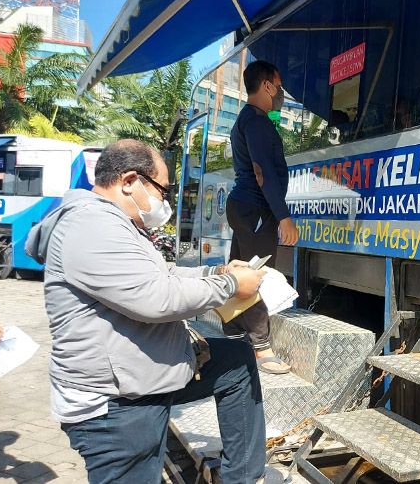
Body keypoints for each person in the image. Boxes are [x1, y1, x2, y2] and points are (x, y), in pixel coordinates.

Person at [25, 140, 268, 484]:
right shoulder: (91, 225)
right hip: (115, 407)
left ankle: (242, 477)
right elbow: (155, 298)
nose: (164, 201)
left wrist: (217, 272)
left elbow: (160, 274)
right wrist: (230, 286)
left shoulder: (116, 223)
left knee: (236, 361)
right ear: (129, 181)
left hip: (141, 381)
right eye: (162, 190)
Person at [225, 60, 299, 374]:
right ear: (267, 85)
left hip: (245, 206)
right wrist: (283, 217)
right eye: (278, 85)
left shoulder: (248, 119)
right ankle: (261, 349)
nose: (281, 92)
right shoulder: (256, 121)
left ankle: (233, 334)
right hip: (255, 208)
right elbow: (262, 172)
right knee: (257, 276)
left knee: (240, 271)